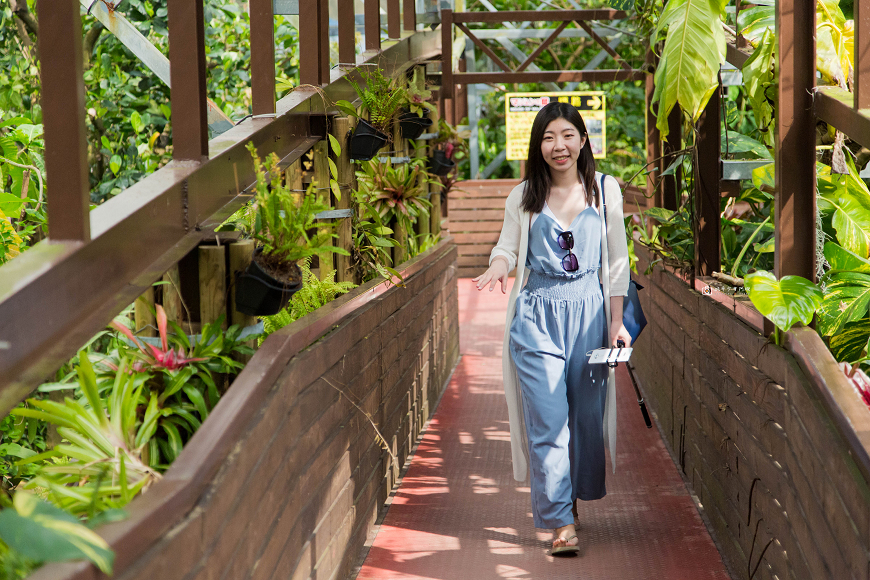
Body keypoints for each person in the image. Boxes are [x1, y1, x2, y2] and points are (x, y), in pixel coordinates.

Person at [472, 101, 630, 555]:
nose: (557, 146)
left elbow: (617, 265)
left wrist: (616, 324)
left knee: (584, 419)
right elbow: (506, 247)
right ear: (537, 146)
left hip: (589, 316)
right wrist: (498, 267)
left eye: (566, 135)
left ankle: (569, 499)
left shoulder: (605, 191)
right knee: (547, 420)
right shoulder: (523, 195)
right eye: (547, 138)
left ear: (583, 140)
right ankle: (560, 522)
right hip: (536, 315)